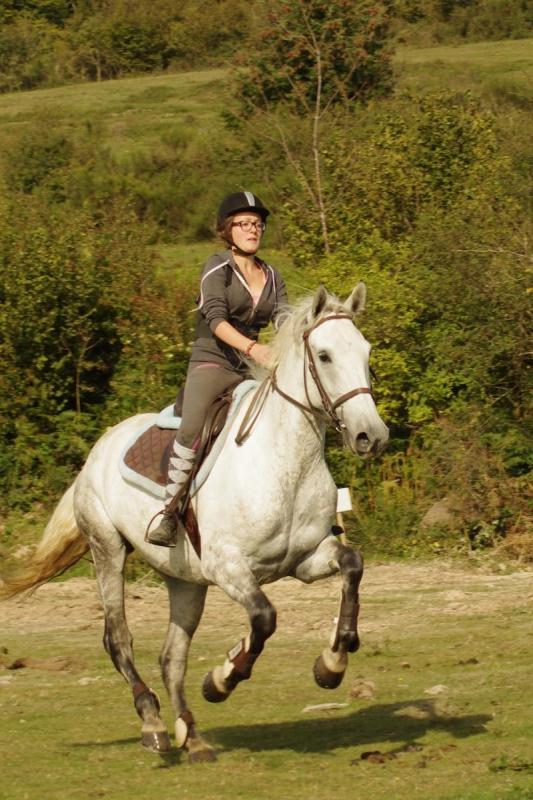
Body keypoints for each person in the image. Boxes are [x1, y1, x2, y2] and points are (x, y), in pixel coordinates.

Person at [147, 191, 288, 547]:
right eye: (244, 224)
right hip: (212, 362)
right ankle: (169, 513)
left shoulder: (272, 275)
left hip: (250, 369)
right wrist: (255, 348)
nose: (253, 229)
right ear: (228, 230)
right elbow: (215, 320)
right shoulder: (217, 267)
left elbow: (284, 317)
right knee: (193, 426)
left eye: (257, 224)